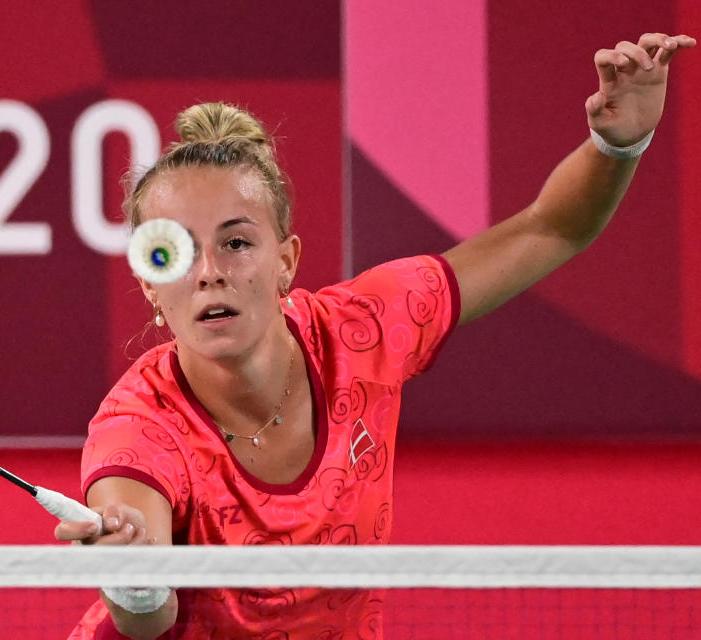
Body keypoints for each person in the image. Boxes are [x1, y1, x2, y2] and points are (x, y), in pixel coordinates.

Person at [56, 32, 696, 639]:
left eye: (237, 242)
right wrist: (135, 579)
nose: (210, 274)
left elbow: (548, 230)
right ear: (148, 282)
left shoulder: (362, 332)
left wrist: (618, 147)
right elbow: (148, 619)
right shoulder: (138, 427)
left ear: (285, 260)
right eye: (173, 253)